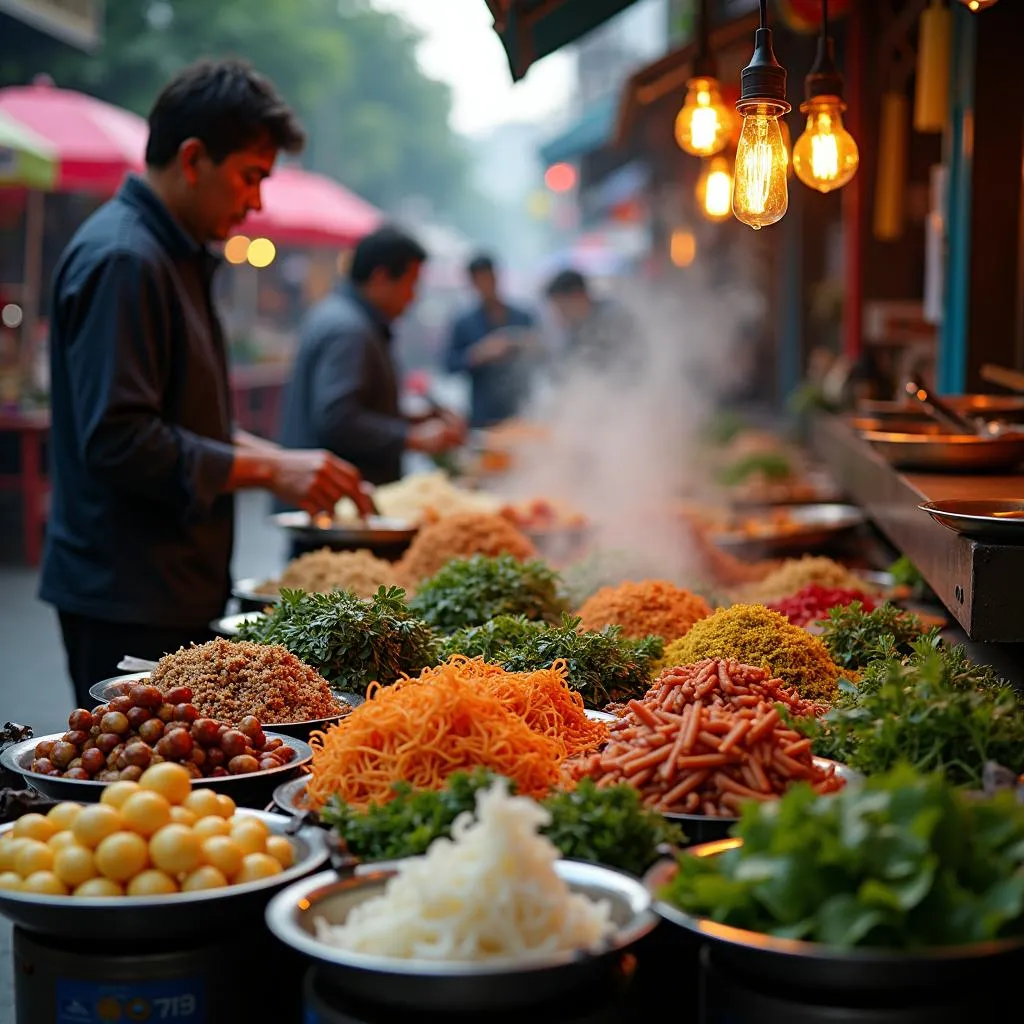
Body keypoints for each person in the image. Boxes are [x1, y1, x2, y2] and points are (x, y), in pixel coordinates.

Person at [40, 59, 373, 708]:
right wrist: (273, 474)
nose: (256, 201)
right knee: (140, 793)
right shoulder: (125, 259)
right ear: (193, 159)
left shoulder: (173, 253)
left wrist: (281, 459)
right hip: (127, 592)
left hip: (169, 584)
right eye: (250, 177)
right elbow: (121, 441)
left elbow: (187, 421)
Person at [277, 226, 465, 496]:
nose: (413, 297)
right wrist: (413, 438)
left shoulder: (347, 317)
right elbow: (338, 420)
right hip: (335, 504)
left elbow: (358, 407)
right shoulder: (349, 329)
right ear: (380, 278)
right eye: (411, 284)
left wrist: (415, 417)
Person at [445, 253, 536, 429]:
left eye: (489, 278)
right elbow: (449, 365)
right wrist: (479, 353)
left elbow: (544, 355)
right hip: (483, 414)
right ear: (472, 283)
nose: (486, 285)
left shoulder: (523, 317)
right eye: (480, 280)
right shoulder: (464, 323)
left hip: (521, 409)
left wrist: (523, 344)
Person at [544, 268, 639, 374]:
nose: (560, 314)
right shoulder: (576, 328)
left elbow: (629, 359)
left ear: (578, 296)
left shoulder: (613, 315)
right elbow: (567, 363)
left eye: (562, 307)